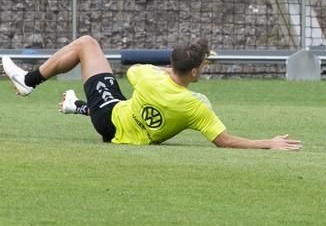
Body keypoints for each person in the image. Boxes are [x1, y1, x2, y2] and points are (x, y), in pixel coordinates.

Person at [3, 36, 301, 150]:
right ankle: (58, 97)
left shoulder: (145, 76)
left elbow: (133, 70)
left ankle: (32, 81)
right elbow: (225, 141)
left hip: (111, 119)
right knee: (116, 97)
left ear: (171, 64)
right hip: (120, 124)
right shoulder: (195, 107)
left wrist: (166, 72)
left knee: (87, 44)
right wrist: (268, 143)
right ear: (195, 72)